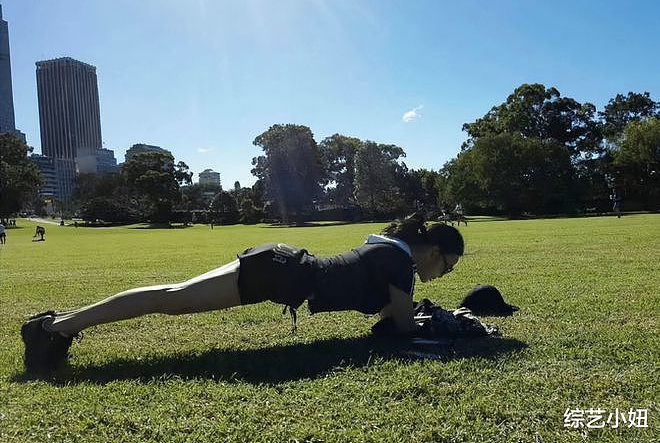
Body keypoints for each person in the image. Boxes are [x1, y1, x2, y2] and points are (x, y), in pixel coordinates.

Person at [20, 215, 464, 372]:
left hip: (279, 262)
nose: (443, 275)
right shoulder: (400, 262)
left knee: (173, 298)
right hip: (276, 274)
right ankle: (54, 327)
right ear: (436, 252)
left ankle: (57, 325)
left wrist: (410, 317)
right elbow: (400, 327)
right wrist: (448, 329)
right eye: (448, 266)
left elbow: (386, 320)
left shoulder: (389, 251)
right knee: (171, 299)